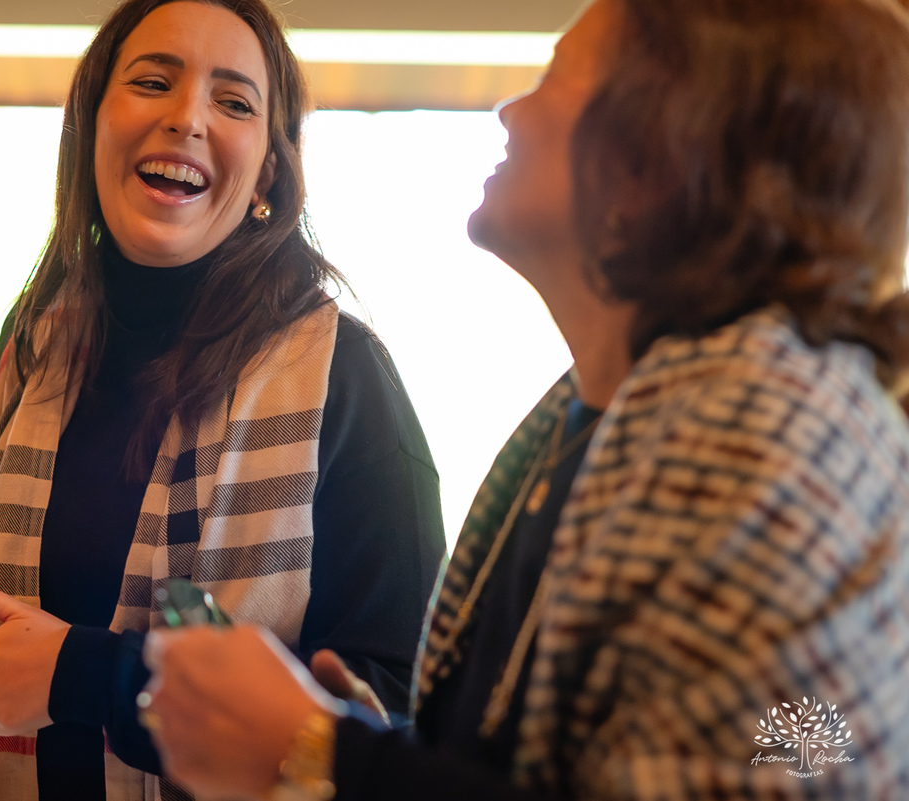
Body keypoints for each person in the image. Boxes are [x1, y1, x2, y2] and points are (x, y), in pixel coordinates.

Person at [139, 0, 909, 798]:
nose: (513, 109)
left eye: (557, 77)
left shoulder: (770, 439)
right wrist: (377, 741)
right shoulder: (585, 414)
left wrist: (315, 754)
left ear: (656, 151)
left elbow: (780, 773)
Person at [0, 0, 445, 799]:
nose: (187, 118)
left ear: (268, 175)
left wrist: (87, 676)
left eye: (234, 100)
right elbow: (2, 571)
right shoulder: (33, 349)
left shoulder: (341, 372)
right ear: (92, 128)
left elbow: (400, 702)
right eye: (152, 82)